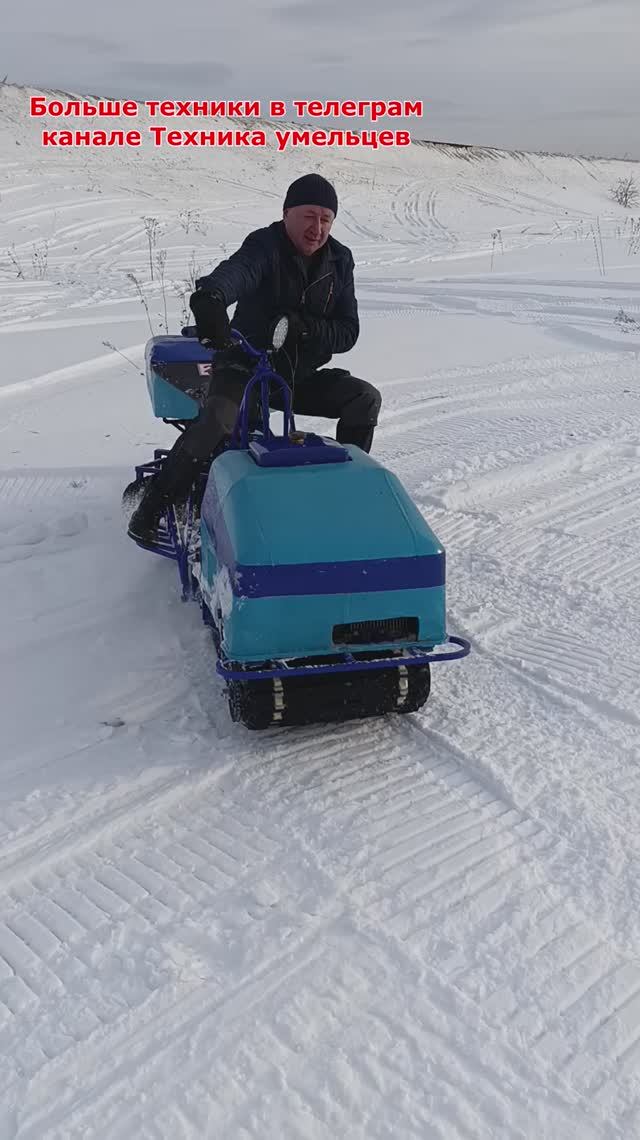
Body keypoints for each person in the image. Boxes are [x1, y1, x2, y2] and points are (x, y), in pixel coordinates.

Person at [128, 172, 382, 544]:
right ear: (287, 214)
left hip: (297, 375)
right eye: (309, 216)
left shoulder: (340, 260)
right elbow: (237, 273)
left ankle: (345, 497)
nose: (317, 228)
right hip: (244, 365)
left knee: (364, 398)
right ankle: (152, 507)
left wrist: (303, 328)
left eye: (326, 219)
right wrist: (211, 298)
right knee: (220, 418)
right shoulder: (265, 245)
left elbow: (348, 331)